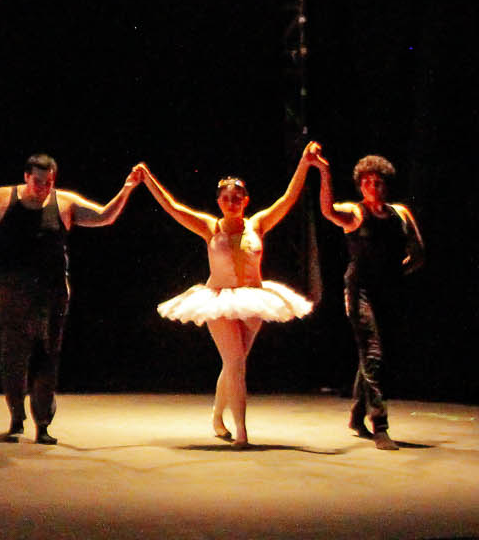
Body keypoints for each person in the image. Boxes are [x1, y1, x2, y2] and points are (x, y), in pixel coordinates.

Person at [0, 153, 140, 444]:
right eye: (38, 182)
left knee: (47, 357)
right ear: (26, 177)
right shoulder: (4, 198)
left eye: (48, 182)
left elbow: (104, 216)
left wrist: (127, 188)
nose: (43, 188)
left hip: (51, 293)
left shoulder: (64, 203)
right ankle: (16, 415)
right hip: (12, 292)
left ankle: (43, 423)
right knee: (13, 357)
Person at [137, 144, 319, 447]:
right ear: (218, 201)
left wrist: (304, 162)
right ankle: (242, 431)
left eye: (237, 198)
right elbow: (173, 207)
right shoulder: (211, 227)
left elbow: (288, 198)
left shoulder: (258, 224)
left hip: (254, 298)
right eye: (226, 198)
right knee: (235, 362)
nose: (231, 203)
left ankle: (216, 415)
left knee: (235, 363)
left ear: (245, 200)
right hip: (219, 300)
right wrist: (148, 179)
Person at [315, 151, 424, 449]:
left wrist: (396, 273)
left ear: (386, 185)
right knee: (373, 353)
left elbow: (418, 254)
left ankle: (356, 414)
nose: (373, 187)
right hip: (359, 291)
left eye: (378, 182)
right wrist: (324, 172)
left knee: (373, 355)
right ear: (360, 185)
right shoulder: (355, 213)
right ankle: (380, 425)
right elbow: (328, 211)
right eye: (367, 182)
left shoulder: (400, 214)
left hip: (387, 291)